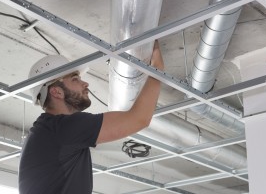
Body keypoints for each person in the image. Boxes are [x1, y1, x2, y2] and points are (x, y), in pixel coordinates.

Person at [18, 40, 164, 194]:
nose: (85, 83)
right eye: (75, 79)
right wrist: (157, 68)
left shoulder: (48, 131)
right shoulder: (61, 128)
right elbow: (139, 119)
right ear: (57, 92)